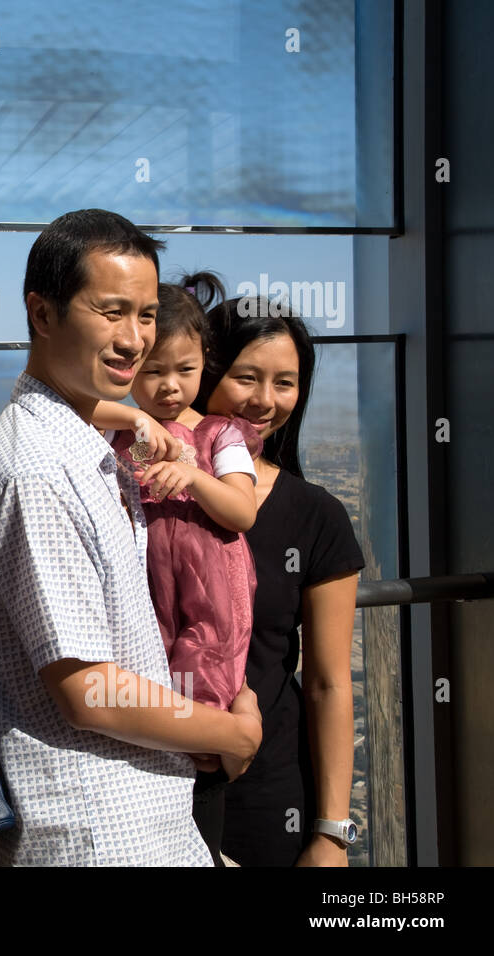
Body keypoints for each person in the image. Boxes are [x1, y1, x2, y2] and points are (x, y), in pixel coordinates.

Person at [0, 209, 263, 866]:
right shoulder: (35, 472)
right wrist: (229, 734)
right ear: (42, 314)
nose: (135, 339)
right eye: (112, 311)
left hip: (136, 821)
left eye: (147, 315)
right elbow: (87, 689)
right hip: (96, 831)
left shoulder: (82, 447)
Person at [91, 272, 262, 865]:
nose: (168, 387)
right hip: (148, 595)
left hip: (212, 595)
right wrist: (135, 424)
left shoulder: (220, 435)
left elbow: (242, 511)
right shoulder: (122, 434)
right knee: (155, 697)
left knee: (206, 689)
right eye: (153, 371)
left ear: (204, 364)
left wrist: (194, 476)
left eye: (184, 370)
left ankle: (207, 825)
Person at [195, 296, 364, 867]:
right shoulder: (153, 487)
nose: (265, 401)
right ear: (206, 370)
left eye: (285, 383)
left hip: (270, 789)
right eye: (246, 377)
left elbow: (327, 683)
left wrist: (331, 833)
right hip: (151, 771)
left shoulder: (315, 516)